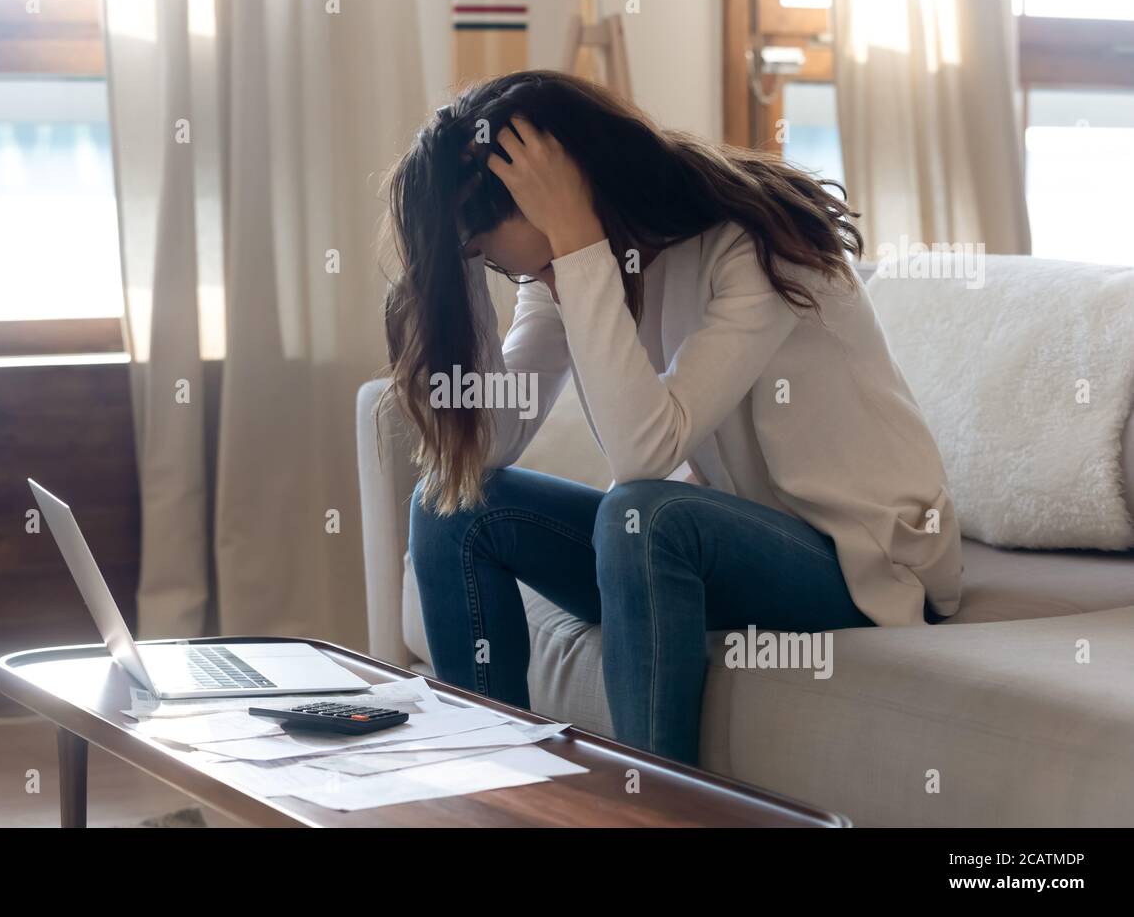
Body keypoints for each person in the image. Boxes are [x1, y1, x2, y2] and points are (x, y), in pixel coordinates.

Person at [380, 70, 960, 765]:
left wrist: (577, 243)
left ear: (565, 194)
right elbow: (492, 444)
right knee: (452, 508)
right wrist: (462, 269)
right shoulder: (565, 271)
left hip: (861, 562)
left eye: (485, 245)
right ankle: (494, 791)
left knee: (644, 515)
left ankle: (653, 810)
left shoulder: (754, 242)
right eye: (480, 257)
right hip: (723, 550)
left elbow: (641, 456)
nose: (502, 266)